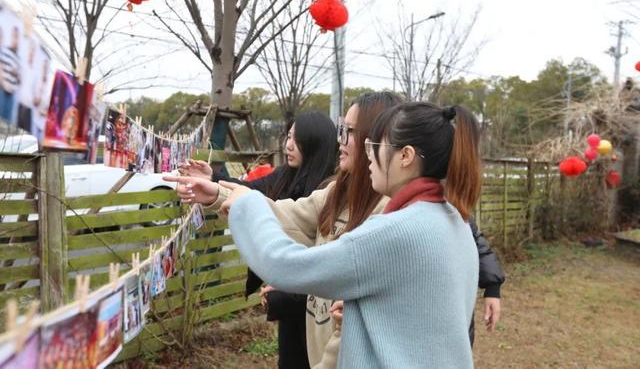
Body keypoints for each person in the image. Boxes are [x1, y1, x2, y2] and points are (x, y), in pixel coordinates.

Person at [165, 92, 504, 368]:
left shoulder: (396, 230)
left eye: (374, 145)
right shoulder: (448, 218)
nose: (366, 154)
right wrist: (225, 194)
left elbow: (283, 264)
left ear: (406, 156)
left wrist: (246, 204)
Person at [180, 111, 338, 369]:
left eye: (297, 140)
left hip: (315, 311)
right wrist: (213, 180)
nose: (288, 145)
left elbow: (324, 264)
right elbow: (250, 191)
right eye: (288, 136)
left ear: (315, 143)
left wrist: (283, 295)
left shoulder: (328, 192)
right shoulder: (285, 175)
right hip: (289, 302)